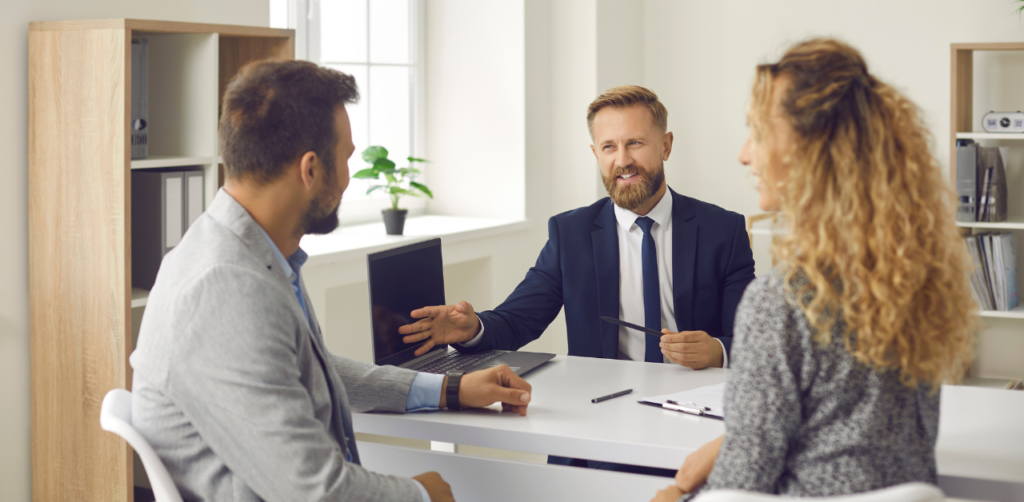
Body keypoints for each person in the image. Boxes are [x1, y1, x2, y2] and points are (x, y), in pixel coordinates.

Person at [130, 60, 534, 502]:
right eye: (345, 159)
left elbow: (309, 365)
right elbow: (314, 491)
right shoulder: (226, 286)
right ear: (310, 169)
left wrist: (450, 389)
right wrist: (421, 496)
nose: (346, 179)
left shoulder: (245, 252)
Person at [651, 39, 977, 501]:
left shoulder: (782, 301)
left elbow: (739, 490)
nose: (745, 154)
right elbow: (850, 427)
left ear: (813, 150)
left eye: (758, 134)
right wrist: (735, 439)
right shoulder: (913, 278)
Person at [399, 85, 756, 474]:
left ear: (666, 146)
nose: (623, 161)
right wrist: (473, 328)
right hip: (599, 423)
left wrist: (717, 351)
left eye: (635, 143)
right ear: (595, 154)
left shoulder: (724, 230)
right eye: (608, 147)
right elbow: (519, 319)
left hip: (695, 425)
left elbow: (754, 344)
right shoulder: (570, 234)